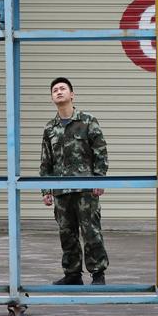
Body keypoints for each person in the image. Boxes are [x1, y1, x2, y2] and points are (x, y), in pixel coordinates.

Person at [40, 77, 109, 286]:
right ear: (52, 98)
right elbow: (46, 161)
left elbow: (100, 152)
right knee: (66, 233)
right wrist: (46, 190)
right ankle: (72, 275)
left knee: (91, 232)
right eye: (55, 90)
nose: (59, 92)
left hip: (85, 189)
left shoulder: (87, 121)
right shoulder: (50, 128)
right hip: (61, 191)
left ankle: (98, 274)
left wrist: (100, 179)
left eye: (63, 88)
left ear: (72, 94)